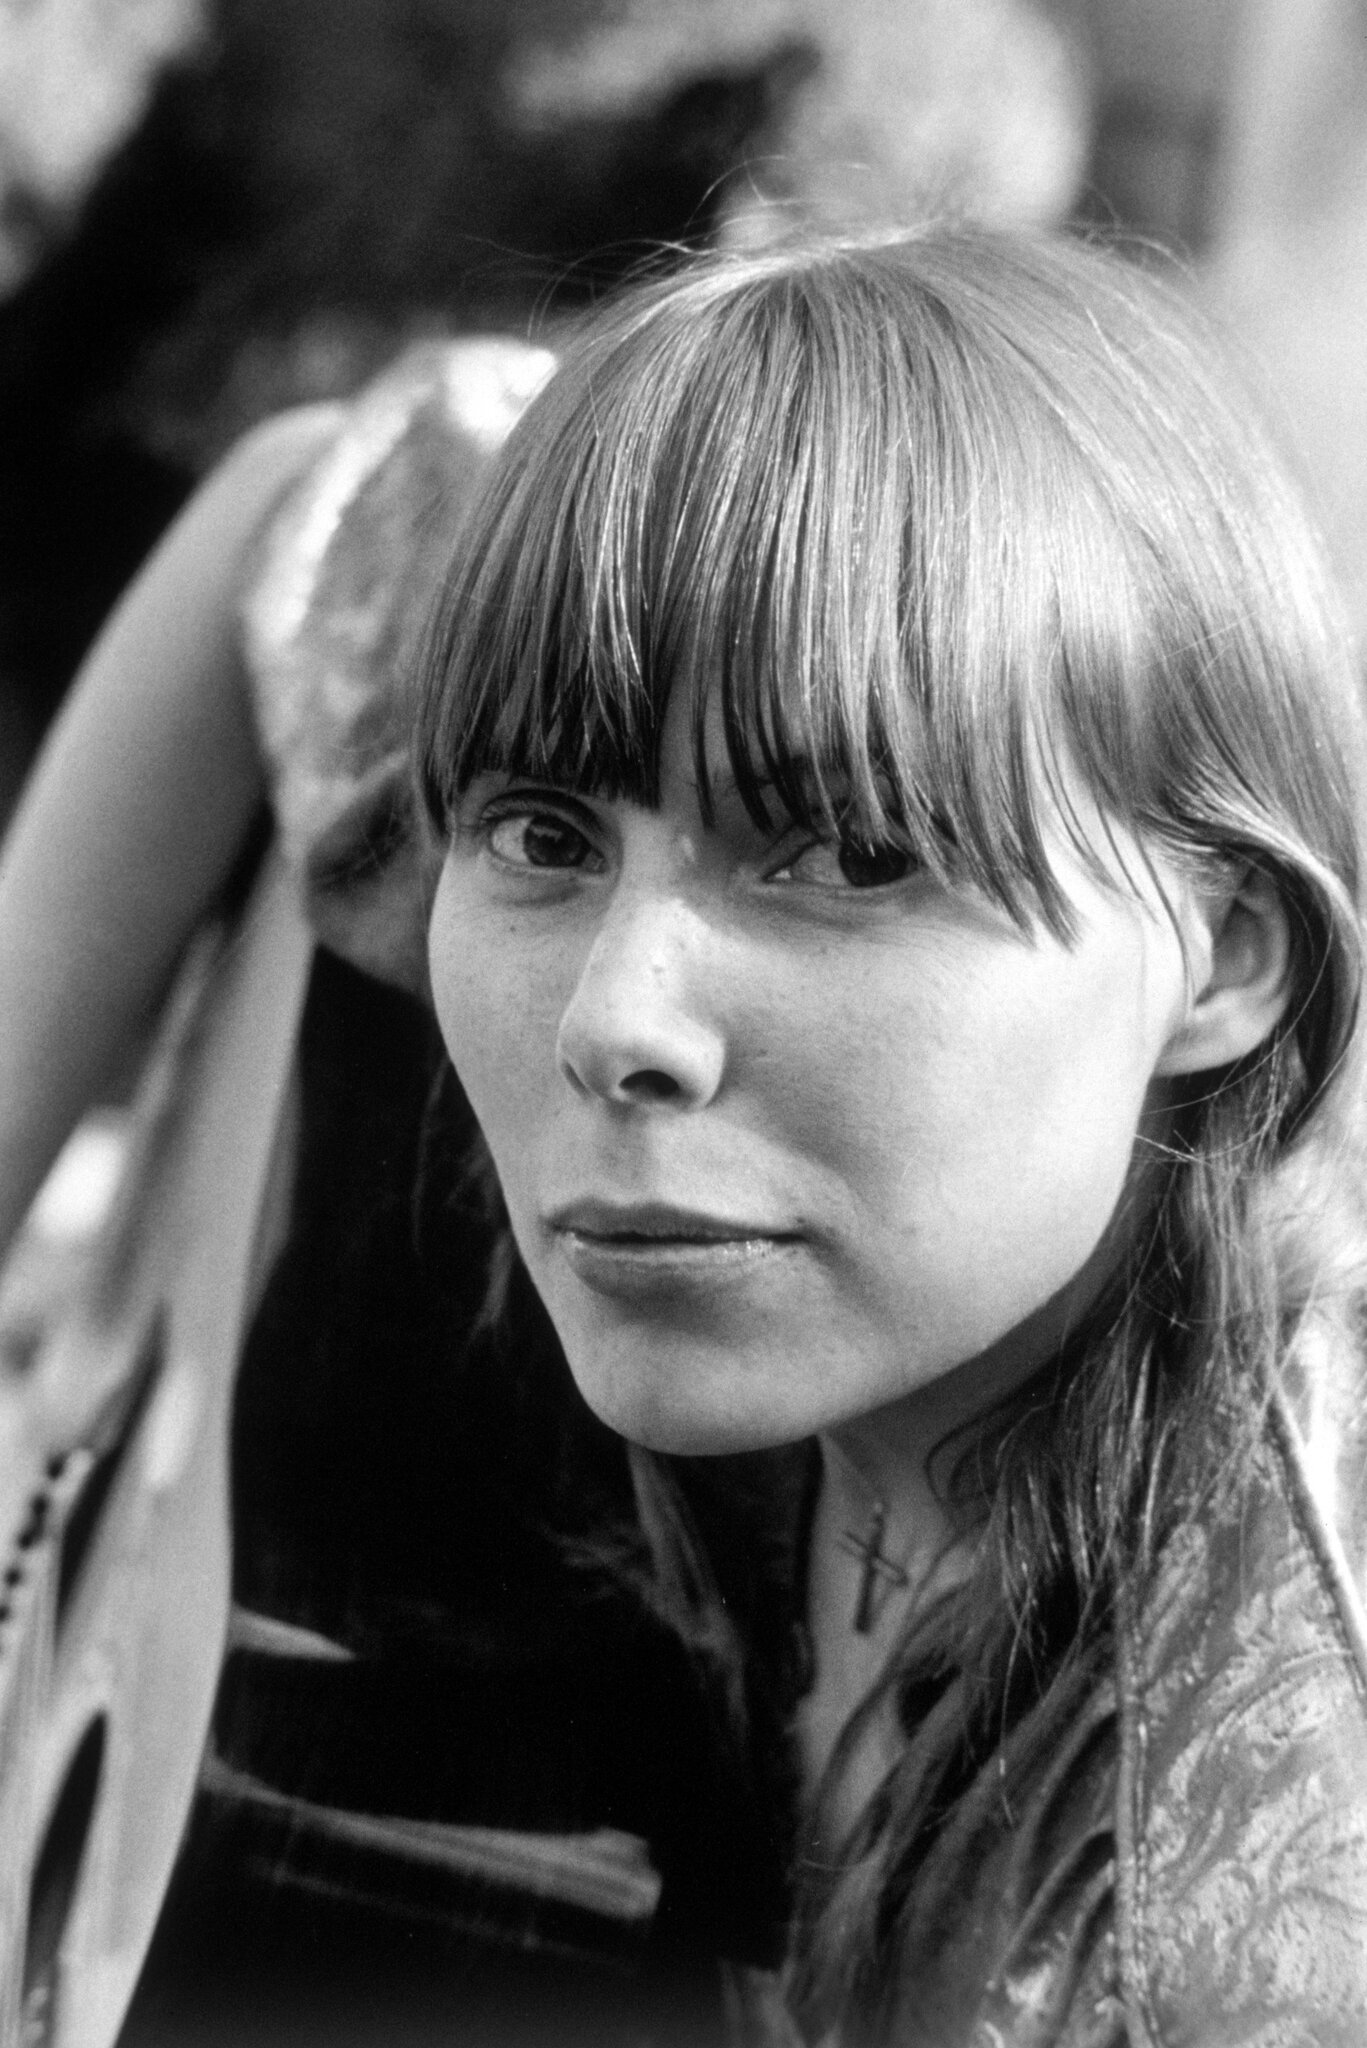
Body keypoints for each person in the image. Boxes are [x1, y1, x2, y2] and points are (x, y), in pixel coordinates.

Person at [3, 226, 1367, 2046]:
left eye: (852, 857)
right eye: (545, 836)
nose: (613, 1022)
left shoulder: (1217, 1918)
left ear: (1226, 959)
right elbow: (322, 503)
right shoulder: (649, 688)